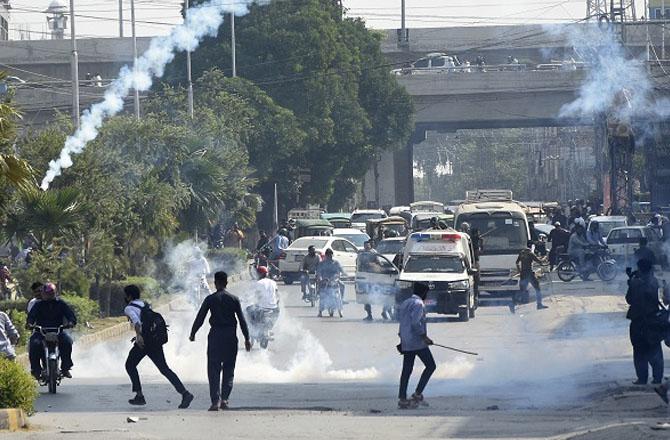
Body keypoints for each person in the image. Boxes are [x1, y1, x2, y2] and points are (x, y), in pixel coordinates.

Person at [123, 285, 194, 408]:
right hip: (155, 340)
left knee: (130, 365)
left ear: (129, 296)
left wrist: (139, 337)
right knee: (164, 369)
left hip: (144, 342)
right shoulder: (145, 304)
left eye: (125, 295)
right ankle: (185, 393)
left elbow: (137, 322)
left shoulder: (129, 308)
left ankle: (139, 395)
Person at [190, 271, 251, 411]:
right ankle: (225, 399)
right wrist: (247, 338)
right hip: (230, 336)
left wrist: (193, 333)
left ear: (216, 283)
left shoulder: (210, 299)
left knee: (213, 369)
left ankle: (215, 401)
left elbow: (200, 318)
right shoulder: (234, 299)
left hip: (215, 336)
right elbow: (242, 320)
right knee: (229, 369)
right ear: (226, 282)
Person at [397, 282, 436, 410]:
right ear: (424, 293)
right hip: (417, 342)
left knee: (406, 370)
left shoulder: (406, 302)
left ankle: (402, 399)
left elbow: (402, 322)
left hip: (407, 341)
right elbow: (415, 323)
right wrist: (424, 337)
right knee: (431, 366)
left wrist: (402, 337)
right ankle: (417, 394)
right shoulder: (419, 304)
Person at [625, 259, 664, 385]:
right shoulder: (654, 281)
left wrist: (631, 282)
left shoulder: (635, 283)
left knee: (640, 351)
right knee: (655, 348)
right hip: (653, 320)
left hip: (639, 321)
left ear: (640, 269)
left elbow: (629, 299)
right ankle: (657, 378)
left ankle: (642, 378)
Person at [27, 283, 77, 379]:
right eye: (47, 294)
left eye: (51, 294)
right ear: (43, 294)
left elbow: (70, 315)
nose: (49, 296)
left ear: (55, 293)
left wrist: (71, 322)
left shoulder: (61, 304)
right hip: (41, 332)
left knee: (67, 342)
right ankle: (36, 370)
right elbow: (31, 316)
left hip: (58, 330)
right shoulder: (38, 305)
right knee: (33, 344)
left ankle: (66, 367)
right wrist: (29, 324)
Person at [358, 241, 391, 321]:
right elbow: (359, 265)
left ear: (371, 246)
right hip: (366, 277)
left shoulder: (374, 253)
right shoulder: (361, 254)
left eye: (368, 246)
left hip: (376, 276)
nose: (367, 248)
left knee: (386, 295)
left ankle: (385, 311)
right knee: (366, 297)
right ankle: (369, 315)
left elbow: (379, 263)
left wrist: (374, 265)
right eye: (365, 246)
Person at [514, 243, 548, 312]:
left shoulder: (521, 253)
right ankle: (539, 304)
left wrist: (519, 270)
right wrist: (545, 257)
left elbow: (517, 262)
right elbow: (540, 262)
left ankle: (513, 303)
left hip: (523, 274)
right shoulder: (530, 254)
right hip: (529, 274)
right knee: (537, 288)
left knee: (522, 290)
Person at [316, 249, 346, 317]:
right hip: (325, 281)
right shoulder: (322, 263)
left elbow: (342, 271)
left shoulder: (336, 263)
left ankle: (342, 300)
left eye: (331, 255)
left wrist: (344, 275)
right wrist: (321, 279)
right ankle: (320, 311)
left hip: (334, 280)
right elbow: (319, 273)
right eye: (328, 255)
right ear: (326, 255)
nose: (330, 256)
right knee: (322, 296)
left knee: (342, 285)